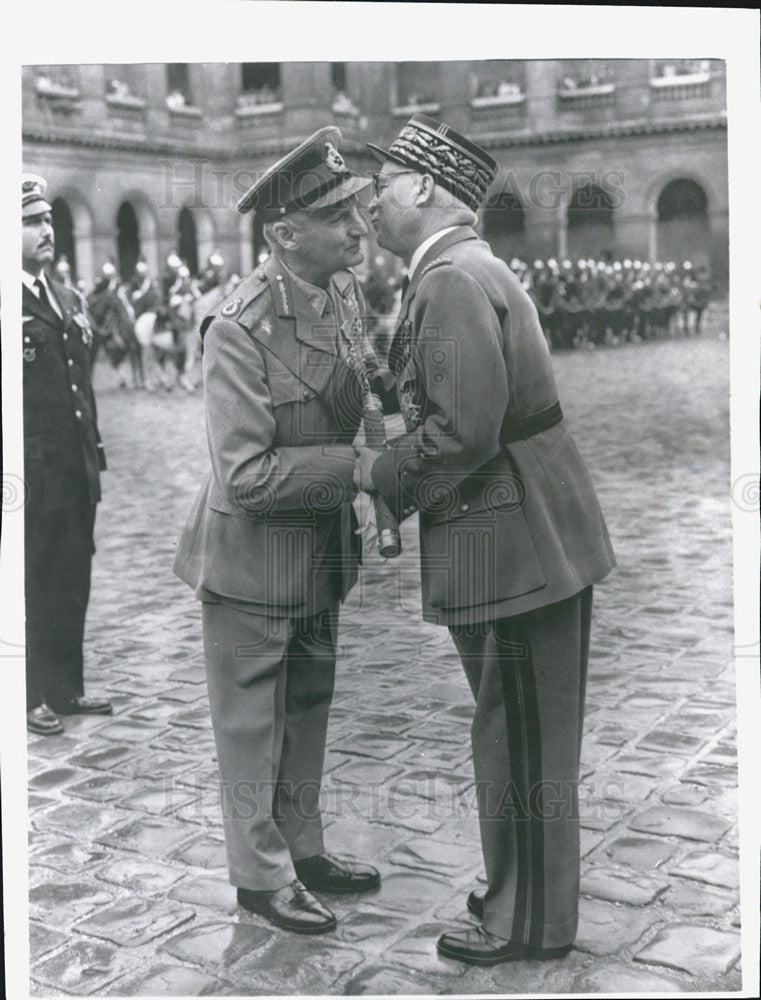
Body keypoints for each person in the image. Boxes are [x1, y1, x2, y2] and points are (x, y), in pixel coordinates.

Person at [355, 116, 616, 966]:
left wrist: (379, 477)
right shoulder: (466, 267)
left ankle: (525, 923)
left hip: (515, 540)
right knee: (517, 730)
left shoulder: (451, 281)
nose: (370, 198)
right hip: (524, 533)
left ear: (424, 187)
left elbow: (463, 433)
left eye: (383, 181)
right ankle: (521, 898)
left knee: (521, 739)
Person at [173, 128, 382, 935]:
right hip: (251, 560)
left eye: (358, 213)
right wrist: (357, 470)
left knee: (309, 703)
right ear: (285, 234)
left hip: (318, 554)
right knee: (252, 723)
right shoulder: (238, 327)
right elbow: (248, 474)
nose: (357, 232)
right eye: (338, 220)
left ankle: (302, 847)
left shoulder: (340, 294)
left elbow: (357, 390)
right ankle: (259, 877)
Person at [22, 173, 112, 735]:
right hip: (31, 475)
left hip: (76, 469)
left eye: (49, 219)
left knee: (72, 578)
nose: (45, 230)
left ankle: (66, 688)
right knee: (32, 582)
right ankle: (29, 694)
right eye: (31, 223)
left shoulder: (65, 296)